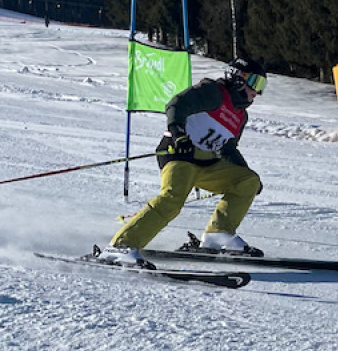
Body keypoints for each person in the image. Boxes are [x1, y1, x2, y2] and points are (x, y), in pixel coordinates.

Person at [107, 57, 269, 264]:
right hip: (179, 155)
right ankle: (121, 246)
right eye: (255, 83)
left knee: (248, 180)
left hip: (208, 164)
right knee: (172, 199)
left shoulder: (240, 116)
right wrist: (179, 134)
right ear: (238, 78)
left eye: (262, 86)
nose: (257, 92)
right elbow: (177, 104)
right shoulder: (213, 92)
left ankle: (218, 233)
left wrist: (245, 174)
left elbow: (228, 148)